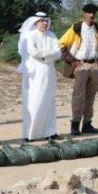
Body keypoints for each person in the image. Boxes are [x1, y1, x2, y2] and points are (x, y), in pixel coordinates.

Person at [59, 3, 98, 136]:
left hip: (93, 65)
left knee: (91, 96)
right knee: (78, 95)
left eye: (93, 12)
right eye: (89, 12)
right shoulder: (76, 27)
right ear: (84, 14)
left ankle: (87, 124)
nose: (91, 15)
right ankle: (75, 125)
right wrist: (73, 61)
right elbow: (62, 45)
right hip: (80, 65)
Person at [18, 12, 61, 141]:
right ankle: (30, 134)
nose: (45, 23)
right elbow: (33, 51)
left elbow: (58, 53)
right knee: (34, 102)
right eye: (42, 21)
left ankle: (50, 132)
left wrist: (44, 56)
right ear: (36, 22)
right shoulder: (30, 36)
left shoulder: (52, 35)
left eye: (46, 21)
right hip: (35, 74)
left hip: (49, 72)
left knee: (49, 102)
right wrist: (48, 55)